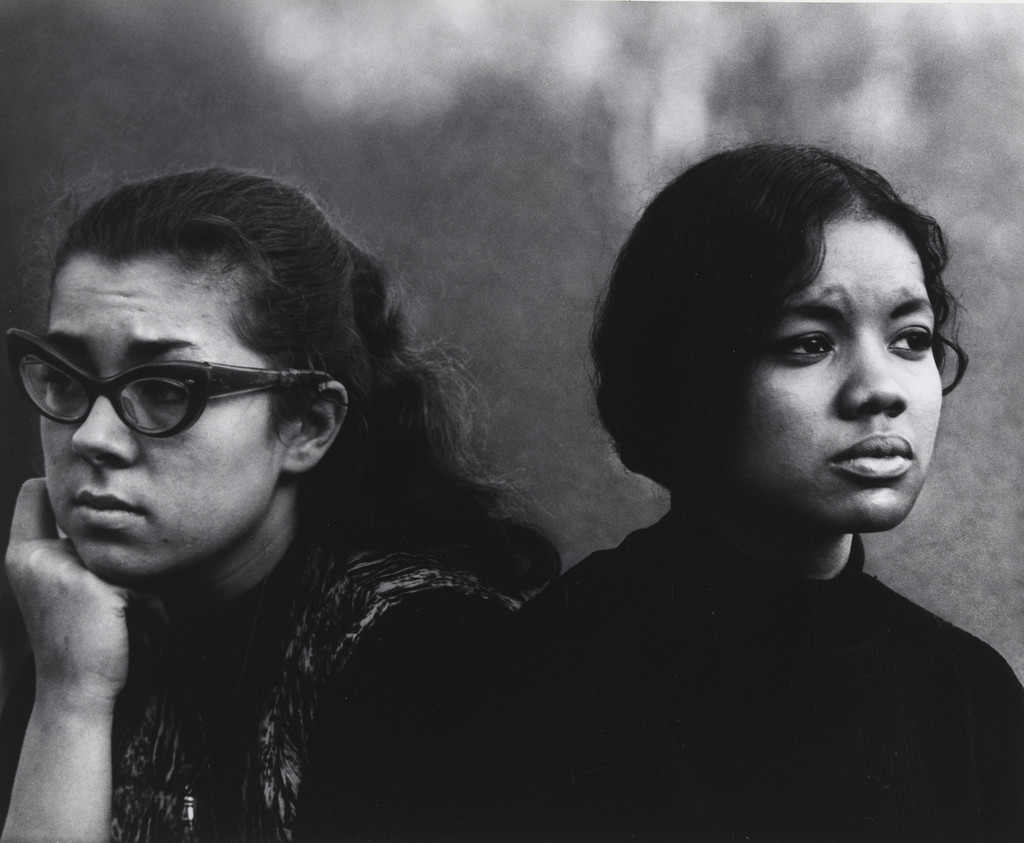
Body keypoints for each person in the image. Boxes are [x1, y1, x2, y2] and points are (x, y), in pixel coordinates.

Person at [469, 144, 1024, 842]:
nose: (881, 389)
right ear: (687, 377)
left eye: (911, 338)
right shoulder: (555, 678)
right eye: (809, 343)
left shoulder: (971, 696)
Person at [0, 167, 556, 842]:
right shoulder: (76, 626)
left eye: (168, 388)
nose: (92, 436)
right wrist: (69, 696)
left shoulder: (429, 657)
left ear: (307, 425)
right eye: (65, 378)